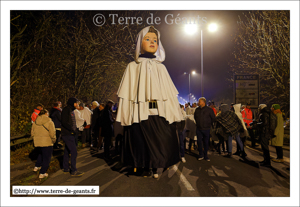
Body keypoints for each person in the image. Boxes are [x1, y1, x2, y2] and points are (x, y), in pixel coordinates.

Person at [116, 26, 182, 179]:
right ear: (140, 42)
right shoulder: (133, 67)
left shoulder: (162, 68)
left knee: (163, 140)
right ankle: (143, 166)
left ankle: (159, 164)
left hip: (159, 113)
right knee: (141, 142)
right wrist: (128, 115)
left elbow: (169, 96)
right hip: (140, 114)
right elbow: (127, 95)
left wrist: (173, 113)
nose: (152, 42)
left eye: (155, 40)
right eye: (148, 39)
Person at [61, 97, 84, 176]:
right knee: (74, 151)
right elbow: (64, 122)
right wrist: (71, 130)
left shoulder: (71, 110)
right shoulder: (66, 110)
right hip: (67, 134)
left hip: (70, 133)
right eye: (76, 103)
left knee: (67, 151)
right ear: (72, 103)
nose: (77, 104)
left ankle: (66, 168)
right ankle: (73, 170)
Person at [31, 109, 56, 178]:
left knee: (40, 154)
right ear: (46, 113)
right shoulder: (49, 122)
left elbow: (32, 133)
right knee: (46, 158)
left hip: (38, 142)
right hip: (47, 142)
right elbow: (52, 133)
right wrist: (54, 139)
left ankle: (37, 166)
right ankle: (42, 173)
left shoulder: (35, 122)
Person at [194, 97, 216, 161]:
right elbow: (195, 117)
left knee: (206, 142)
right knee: (199, 142)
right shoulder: (197, 110)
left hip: (206, 129)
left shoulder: (209, 110)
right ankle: (201, 154)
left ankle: (205, 155)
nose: (198, 103)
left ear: (203, 102)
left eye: (199, 102)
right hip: (199, 129)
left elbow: (213, 118)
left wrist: (209, 125)